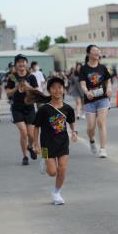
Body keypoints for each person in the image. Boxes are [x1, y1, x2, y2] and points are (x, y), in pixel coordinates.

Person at [27, 77, 77, 205]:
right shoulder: (44, 109)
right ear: (49, 90)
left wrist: (74, 133)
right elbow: (36, 126)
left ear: (63, 89)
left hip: (63, 143)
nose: (57, 90)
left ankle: (56, 193)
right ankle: (43, 159)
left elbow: (71, 122)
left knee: (62, 169)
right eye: (54, 88)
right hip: (46, 145)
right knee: (52, 172)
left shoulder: (68, 109)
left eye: (60, 87)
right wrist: (35, 144)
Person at [79, 44, 112, 158]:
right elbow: (82, 83)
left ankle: (103, 149)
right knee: (90, 127)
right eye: (94, 51)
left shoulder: (103, 68)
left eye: (98, 50)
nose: (97, 52)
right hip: (90, 99)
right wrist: (86, 92)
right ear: (89, 54)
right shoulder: (84, 69)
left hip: (102, 98)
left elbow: (108, 80)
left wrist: (109, 88)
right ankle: (92, 140)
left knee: (101, 123)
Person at [5, 54, 39, 165]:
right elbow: (7, 93)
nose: (21, 64)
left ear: (26, 63)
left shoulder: (31, 77)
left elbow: (37, 92)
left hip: (29, 108)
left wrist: (28, 87)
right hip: (17, 108)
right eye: (19, 62)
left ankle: (30, 146)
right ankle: (25, 157)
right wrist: (16, 87)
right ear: (16, 64)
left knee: (31, 135)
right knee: (23, 133)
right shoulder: (12, 77)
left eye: (23, 61)